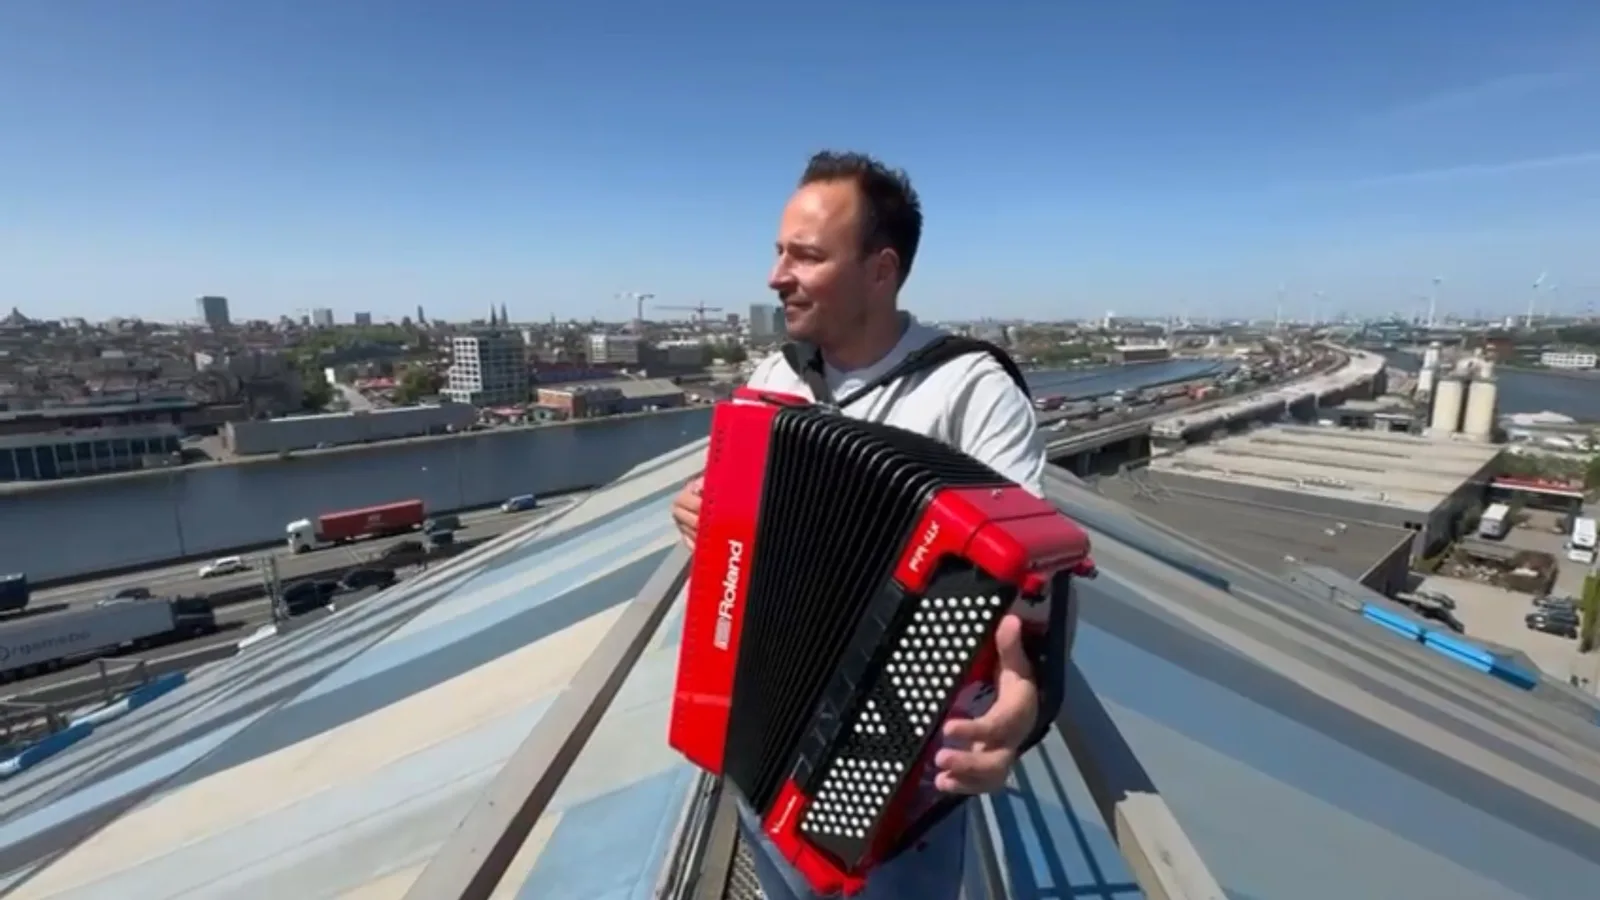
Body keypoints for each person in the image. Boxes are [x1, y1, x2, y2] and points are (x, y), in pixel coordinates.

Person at [671, 150, 1050, 899]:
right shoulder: (774, 380)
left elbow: (1030, 592)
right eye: (779, 252)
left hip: (892, 780)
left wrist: (1027, 697)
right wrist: (700, 511)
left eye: (805, 256)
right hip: (762, 756)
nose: (777, 275)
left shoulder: (971, 391)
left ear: (881, 271)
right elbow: (743, 534)